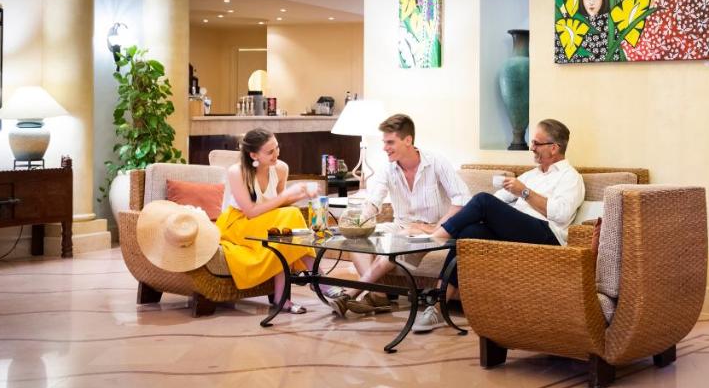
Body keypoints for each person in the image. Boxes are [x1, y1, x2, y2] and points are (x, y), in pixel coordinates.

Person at [335, 113, 471, 332]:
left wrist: (436, 228)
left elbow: (462, 200)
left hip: (434, 230)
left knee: (398, 242)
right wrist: (358, 222)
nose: (385, 148)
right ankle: (378, 295)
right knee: (358, 239)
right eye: (384, 142)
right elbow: (374, 201)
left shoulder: (436, 162)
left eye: (390, 142)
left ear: (408, 140)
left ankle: (352, 292)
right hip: (401, 225)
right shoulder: (387, 168)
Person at [425, 119, 585, 276]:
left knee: (483, 200)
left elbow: (561, 214)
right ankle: (442, 291)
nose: (532, 148)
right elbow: (498, 199)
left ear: (554, 148)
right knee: (470, 232)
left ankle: (434, 239)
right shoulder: (531, 175)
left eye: (536, 143)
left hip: (548, 236)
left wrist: (525, 192)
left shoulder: (570, 177)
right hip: (520, 231)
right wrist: (489, 215)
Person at [215, 128, 317, 313]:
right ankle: (317, 276)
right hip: (238, 224)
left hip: (265, 223)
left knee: (284, 229)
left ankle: (282, 298)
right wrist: (287, 195)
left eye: (277, 147)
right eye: (270, 151)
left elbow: (278, 206)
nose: (276, 153)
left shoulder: (281, 168)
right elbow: (250, 211)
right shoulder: (237, 172)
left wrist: (301, 194)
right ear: (254, 155)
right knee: (290, 216)